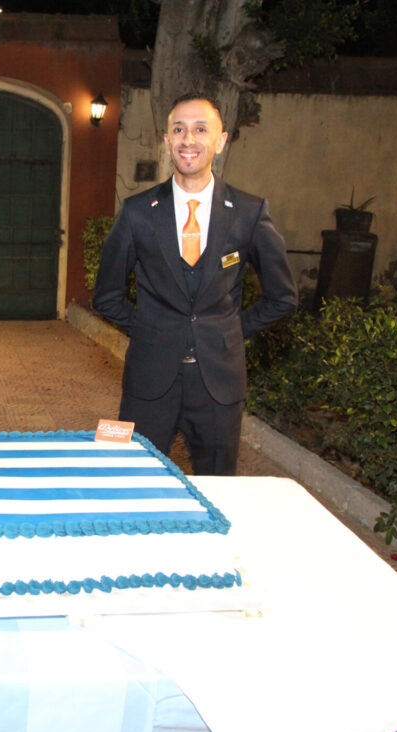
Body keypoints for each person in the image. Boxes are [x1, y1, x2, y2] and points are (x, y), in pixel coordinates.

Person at [92, 92, 298, 475]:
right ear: (166, 140)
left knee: (217, 489)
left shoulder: (249, 212)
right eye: (179, 130)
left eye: (201, 129)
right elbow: (106, 296)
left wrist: (230, 331)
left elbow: (282, 298)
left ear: (220, 141)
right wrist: (150, 330)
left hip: (219, 387)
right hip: (149, 382)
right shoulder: (137, 213)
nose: (189, 139)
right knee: (134, 481)